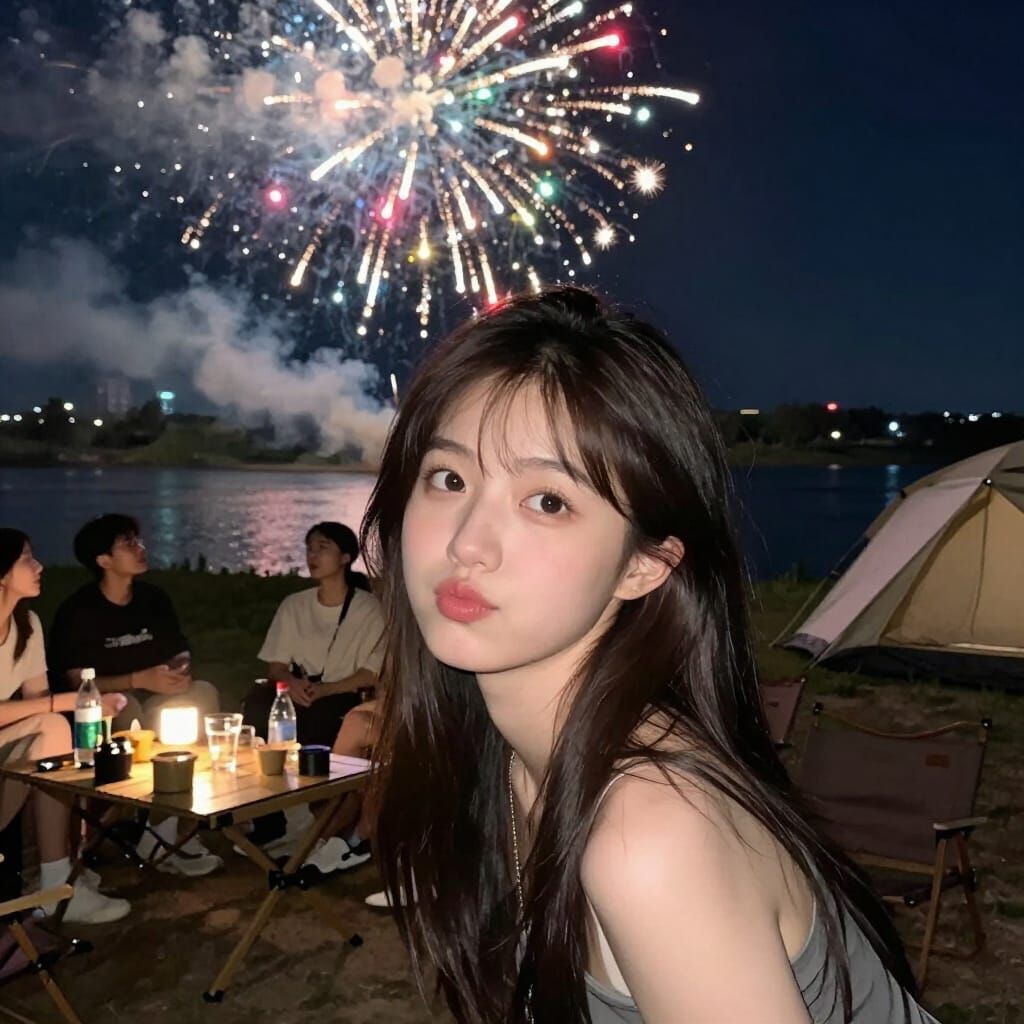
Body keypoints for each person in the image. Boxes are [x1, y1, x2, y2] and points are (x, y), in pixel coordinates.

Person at [362, 287, 938, 1023]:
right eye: (449, 479)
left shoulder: (648, 834)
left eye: (548, 501)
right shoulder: (516, 758)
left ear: (644, 565)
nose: (467, 542)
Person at [49, 514, 222, 877]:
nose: (140, 548)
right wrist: (137, 679)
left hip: (159, 697)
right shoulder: (79, 611)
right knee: (130, 711)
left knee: (202, 694)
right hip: (104, 708)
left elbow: (178, 648)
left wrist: (178, 671)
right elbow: (77, 679)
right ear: (103, 560)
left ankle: (167, 829)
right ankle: (150, 829)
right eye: (128, 544)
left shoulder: (153, 599)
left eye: (138, 541)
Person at [0, 528, 131, 923]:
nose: (39, 566)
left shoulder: (26, 625)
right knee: (55, 725)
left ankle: (56, 878)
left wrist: (89, 707)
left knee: (56, 730)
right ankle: (54, 882)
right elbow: (47, 706)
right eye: (27, 558)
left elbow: (36, 704)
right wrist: (67, 701)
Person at [242, 522, 384, 869]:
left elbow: (370, 672)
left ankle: (316, 816)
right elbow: (276, 665)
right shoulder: (295, 605)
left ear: (345, 557)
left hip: (340, 693)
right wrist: (290, 682)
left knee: (321, 718)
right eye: (309, 548)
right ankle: (267, 818)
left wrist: (325, 689)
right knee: (258, 705)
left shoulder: (368, 609)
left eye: (323, 548)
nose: (313, 555)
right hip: (298, 689)